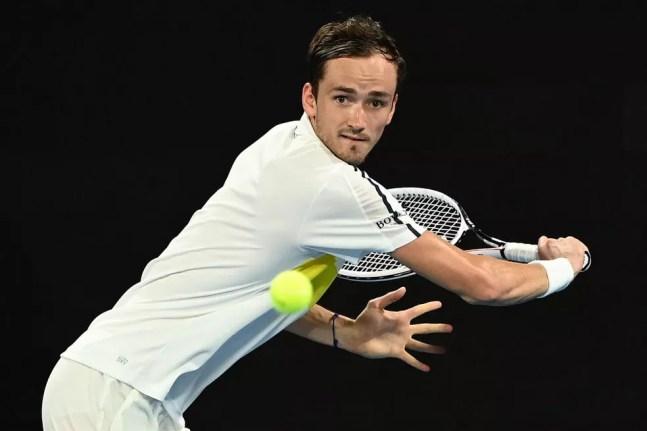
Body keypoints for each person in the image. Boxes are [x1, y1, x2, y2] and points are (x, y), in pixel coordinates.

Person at [42, 15, 589, 431]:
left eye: (375, 102)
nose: (358, 119)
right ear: (311, 98)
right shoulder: (331, 188)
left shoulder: (281, 144)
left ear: (393, 107)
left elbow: (269, 293)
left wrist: (343, 333)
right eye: (343, 98)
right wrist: (567, 266)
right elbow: (484, 284)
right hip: (112, 393)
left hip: (120, 389)